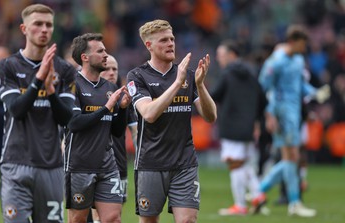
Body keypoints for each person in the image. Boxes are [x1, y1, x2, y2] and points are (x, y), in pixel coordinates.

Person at [126, 19, 217, 223]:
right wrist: (177, 83)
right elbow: (148, 114)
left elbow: (211, 116)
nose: (171, 44)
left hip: (184, 162)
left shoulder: (188, 75)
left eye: (172, 39)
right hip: (150, 163)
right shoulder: (137, 76)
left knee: (187, 220)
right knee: (149, 221)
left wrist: (200, 86)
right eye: (164, 40)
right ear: (149, 45)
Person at [0, 4, 76, 222]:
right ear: (24, 29)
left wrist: (50, 91)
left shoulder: (65, 70)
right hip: (15, 163)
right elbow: (16, 110)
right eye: (37, 24)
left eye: (48, 25)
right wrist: (39, 79)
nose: (44, 29)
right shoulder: (7, 66)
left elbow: (67, 119)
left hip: (51, 166)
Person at [251, 24, 329, 217]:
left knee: (291, 158)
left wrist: (316, 93)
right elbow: (263, 88)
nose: (304, 48)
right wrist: (269, 115)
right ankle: (294, 202)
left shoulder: (298, 59)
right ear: (292, 42)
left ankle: (258, 192)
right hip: (281, 113)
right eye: (302, 44)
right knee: (291, 156)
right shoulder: (276, 62)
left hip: (294, 113)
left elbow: (301, 85)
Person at [64, 33, 131, 223]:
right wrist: (107, 108)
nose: (105, 55)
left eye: (105, 50)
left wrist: (123, 108)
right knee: (78, 219)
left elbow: (117, 131)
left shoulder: (108, 87)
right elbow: (75, 123)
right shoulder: (72, 84)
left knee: (113, 219)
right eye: (100, 51)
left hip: (107, 165)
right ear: (85, 57)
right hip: (80, 165)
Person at [210, 40, 267, 216]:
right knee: (245, 163)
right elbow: (263, 99)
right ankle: (257, 194)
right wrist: (256, 120)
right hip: (248, 126)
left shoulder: (227, 74)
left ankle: (240, 205)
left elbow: (214, 95)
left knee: (234, 163)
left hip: (231, 125)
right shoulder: (252, 73)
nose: (219, 60)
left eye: (221, 56)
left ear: (232, 55)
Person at [86, 54, 137, 223]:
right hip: (90, 164)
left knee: (114, 217)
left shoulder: (124, 101)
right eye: (107, 68)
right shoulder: (88, 96)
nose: (111, 72)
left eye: (115, 69)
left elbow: (135, 132)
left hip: (119, 164)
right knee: (95, 216)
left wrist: (142, 159)